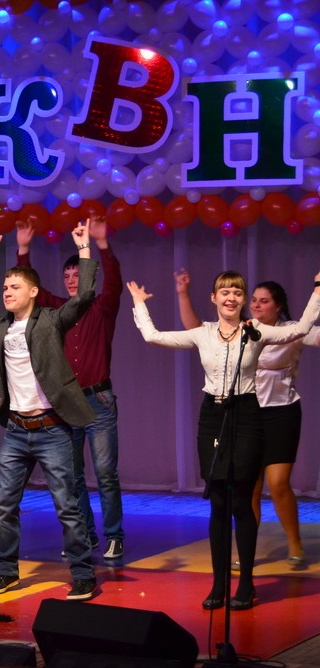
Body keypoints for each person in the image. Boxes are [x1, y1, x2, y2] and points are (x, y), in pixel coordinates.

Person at [128, 270, 320, 611]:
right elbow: (153, 337)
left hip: (247, 414)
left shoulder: (255, 330)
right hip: (213, 416)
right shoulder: (203, 333)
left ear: (242, 300)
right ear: (214, 298)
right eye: (225, 292)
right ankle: (218, 584)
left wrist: (317, 290)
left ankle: (246, 583)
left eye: (237, 293)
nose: (231, 298)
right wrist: (139, 304)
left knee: (242, 501)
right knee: (218, 502)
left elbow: (301, 329)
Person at [0, 222, 98, 601]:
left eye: (14, 286)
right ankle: (5, 572)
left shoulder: (50, 319)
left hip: (52, 430)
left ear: (33, 291)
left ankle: (83, 574)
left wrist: (84, 249)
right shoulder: (0, 323)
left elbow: (84, 296)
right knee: (5, 506)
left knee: (67, 506)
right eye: (5, 287)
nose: (7, 292)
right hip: (17, 431)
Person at [176, 270, 320, 569]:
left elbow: (312, 332)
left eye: (264, 301)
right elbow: (194, 330)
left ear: (278, 306)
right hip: (247, 414)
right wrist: (183, 294)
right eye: (253, 299)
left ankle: (294, 542)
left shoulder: (289, 330)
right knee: (248, 487)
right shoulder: (240, 328)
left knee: (278, 483)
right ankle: (247, 549)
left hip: (282, 411)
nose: (256, 305)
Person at [16, 215, 124, 560]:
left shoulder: (101, 307)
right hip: (66, 402)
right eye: (67, 276)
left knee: (105, 473)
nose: (72, 280)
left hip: (98, 399)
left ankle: (114, 535)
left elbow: (114, 282)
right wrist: (23, 250)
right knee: (73, 476)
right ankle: (85, 536)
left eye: (78, 274)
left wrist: (101, 244)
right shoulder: (57, 310)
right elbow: (31, 292)